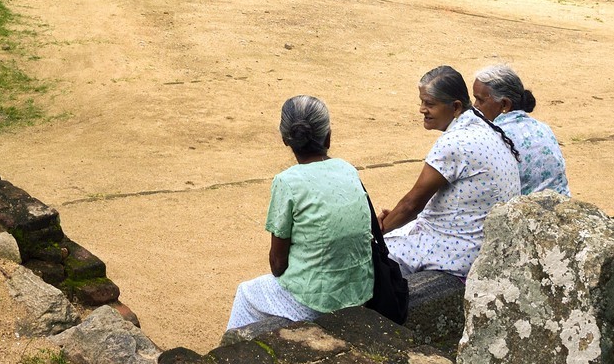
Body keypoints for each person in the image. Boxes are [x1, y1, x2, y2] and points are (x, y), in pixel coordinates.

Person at [226, 96, 373, 330]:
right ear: (329, 136)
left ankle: (227, 358)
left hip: (316, 301)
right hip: (359, 290)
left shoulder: (287, 182)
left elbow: (277, 263)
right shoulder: (348, 169)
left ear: (286, 139)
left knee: (245, 294)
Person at [380, 65, 520, 276]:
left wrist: (377, 231)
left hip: (456, 250)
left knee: (366, 259)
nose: (422, 110)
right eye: (421, 102)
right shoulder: (481, 125)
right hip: (478, 243)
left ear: (455, 107)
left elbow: (411, 205)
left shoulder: (455, 143)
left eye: (429, 104)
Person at [473, 64, 569, 196]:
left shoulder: (492, 137)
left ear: (505, 104)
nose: (475, 106)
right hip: (560, 207)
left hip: (521, 212)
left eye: (480, 100)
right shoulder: (543, 128)